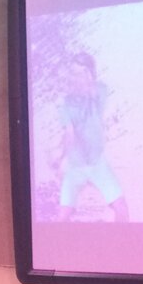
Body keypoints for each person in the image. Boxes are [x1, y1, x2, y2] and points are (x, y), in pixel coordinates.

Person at [56, 51, 129, 222]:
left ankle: (122, 239)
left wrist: (88, 80)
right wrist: (60, 160)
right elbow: (69, 134)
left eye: (81, 72)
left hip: (98, 163)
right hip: (75, 167)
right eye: (73, 73)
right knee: (63, 216)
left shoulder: (100, 91)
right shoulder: (65, 103)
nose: (75, 78)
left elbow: (95, 92)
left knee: (121, 209)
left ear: (89, 73)